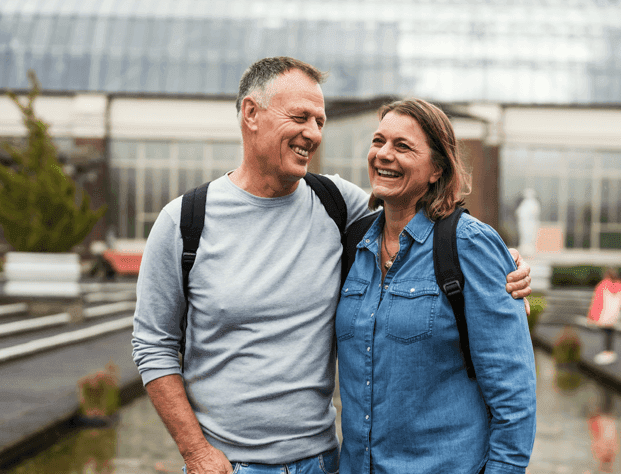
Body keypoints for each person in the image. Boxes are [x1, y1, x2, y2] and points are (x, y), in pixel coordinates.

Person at [131, 57, 533, 474]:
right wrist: (195, 452)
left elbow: (422, 220)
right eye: (301, 117)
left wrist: (506, 267)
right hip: (228, 467)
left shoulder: (338, 206)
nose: (313, 134)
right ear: (251, 113)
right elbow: (152, 344)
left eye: (320, 121)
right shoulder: (184, 222)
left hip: (321, 464)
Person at [336, 98, 537, 474]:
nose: (383, 155)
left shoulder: (468, 245)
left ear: (436, 170)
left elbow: (514, 399)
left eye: (402, 146)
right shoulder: (353, 242)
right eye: (378, 141)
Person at [588, 268, 621, 365]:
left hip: (604, 314)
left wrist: (592, 316)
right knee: (611, 333)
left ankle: (606, 352)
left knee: (606, 333)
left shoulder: (602, 285)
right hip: (614, 315)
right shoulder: (620, 285)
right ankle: (610, 352)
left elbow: (597, 302)